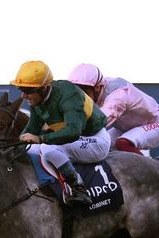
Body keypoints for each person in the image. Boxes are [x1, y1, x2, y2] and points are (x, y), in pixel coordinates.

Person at [11, 60, 110, 207]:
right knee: (26, 150)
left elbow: (73, 132)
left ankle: (79, 188)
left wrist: (40, 138)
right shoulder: (38, 100)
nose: (24, 95)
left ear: (44, 88)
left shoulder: (68, 94)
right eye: (21, 89)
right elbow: (32, 128)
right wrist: (14, 146)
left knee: (47, 148)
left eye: (28, 90)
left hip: (95, 141)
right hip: (74, 141)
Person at [67, 63, 159, 155]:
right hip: (125, 128)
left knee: (123, 143)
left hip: (155, 122)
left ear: (97, 87)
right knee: (99, 145)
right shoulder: (96, 86)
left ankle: (152, 171)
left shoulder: (118, 95)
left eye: (85, 92)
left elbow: (98, 122)